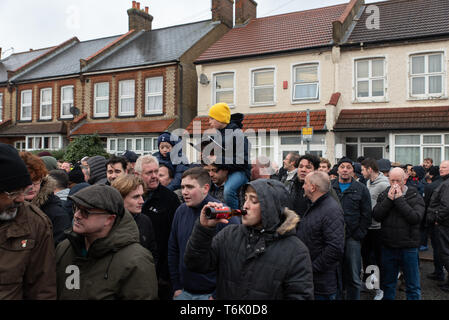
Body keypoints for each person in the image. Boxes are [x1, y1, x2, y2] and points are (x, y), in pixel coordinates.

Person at [184, 178, 314, 300]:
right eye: (245, 199)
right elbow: (196, 264)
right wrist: (203, 229)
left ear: (272, 207)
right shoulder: (229, 235)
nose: (245, 206)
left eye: (254, 201)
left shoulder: (296, 251)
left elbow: (300, 296)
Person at [55, 184, 158, 300]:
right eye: (76, 208)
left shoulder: (135, 260)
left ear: (109, 219)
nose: (76, 215)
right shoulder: (65, 248)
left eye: (85, 212)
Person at [168, 167, 240, 300]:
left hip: (210, 295)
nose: (184, 192)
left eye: (190, 187)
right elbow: (173, 250)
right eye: (182, 187)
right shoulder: (180, 211)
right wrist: (176, 286)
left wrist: (217, 294)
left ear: (205, 188)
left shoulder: (224, 215)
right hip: (183, 292)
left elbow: (233, 262)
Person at [0, 143, 57, 300]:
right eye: (12, 192)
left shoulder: (35, 223)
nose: (20, 198)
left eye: (22, 190)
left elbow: (43, 289)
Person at [373, 167, 424, 300]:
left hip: (409, 247)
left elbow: (415, 218)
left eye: (398, 181)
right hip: (388, 246)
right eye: (392, 180)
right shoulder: (385, 194)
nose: (395, 184)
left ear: (405, 180)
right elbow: (377, 216)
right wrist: (389, 200)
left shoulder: (414, 195)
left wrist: (399, 200)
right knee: (388, 284)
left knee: (412, 285)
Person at [135, 155, 181, 300]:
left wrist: (166, 275)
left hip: (161, 274)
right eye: (149, 173)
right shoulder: (128, 197)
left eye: (156, 171)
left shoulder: (170, 199)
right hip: (135, 269)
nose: (155, 176)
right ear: (137, 175)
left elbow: (175, 239)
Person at [296, 171, 345, 300]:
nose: (303, 186)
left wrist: (311, 269)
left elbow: (335, 248)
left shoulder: (330, 210)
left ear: (313, 187)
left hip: (322, 285)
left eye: (305, 183)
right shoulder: (316, 206)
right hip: (314, 282)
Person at [331, 157, 372, 300]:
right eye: (342, 167)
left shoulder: (361, 189)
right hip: (333, 238)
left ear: (353, 171)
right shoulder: (330, 187)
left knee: (354, 276)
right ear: (337, 170)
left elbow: (366, 214)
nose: (345, 170)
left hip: (352, 238)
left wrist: (359, 234)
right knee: (335, 274)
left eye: (348, 167)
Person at [20, 152, 71, 247]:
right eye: (26, 182)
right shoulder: (7, 207)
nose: (31, 187)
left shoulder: (56, 214)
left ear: (42, 180)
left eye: (36, 181)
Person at [205, 103, 251, 209]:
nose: (209, 122)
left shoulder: (237, 134)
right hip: (224, 169)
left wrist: (218, 159)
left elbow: (242, 161)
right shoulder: (217, 135)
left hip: (240, 171)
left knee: (228, 191)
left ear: (220, 118)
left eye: (212, 118)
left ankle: (234, 217)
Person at [111, 174, 159, 264]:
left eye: (142, 196)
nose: (142, 201)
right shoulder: (107, 223)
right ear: (120, 198)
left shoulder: (145, 221)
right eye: (136, 197)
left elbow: (152, 254)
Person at [361, 158, 390, 300]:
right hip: (368, 226)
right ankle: (369, 284)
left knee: (378, 259)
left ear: (369, 169)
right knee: (366, 257)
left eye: (362, 169)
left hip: (378, 228)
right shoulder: (368, 182)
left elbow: (387, 207)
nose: (361, 172)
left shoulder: (384, 185)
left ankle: (380, 289)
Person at [426, 160, 449, 292]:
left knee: (445, 253)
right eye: (440, 167)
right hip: (444, 223)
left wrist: (437, 219)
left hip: (443, 224)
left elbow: (446, 206)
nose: (441, 169)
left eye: (444, 167)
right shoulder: (445, 182)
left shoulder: (446, 185)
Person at [424, 165, 445, 282]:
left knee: (438, 248)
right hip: (442, 221)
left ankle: (439, 273)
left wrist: (435, 218)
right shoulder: (444, 184)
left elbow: (427, 205)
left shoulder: (431, 186)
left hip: (435, 222)